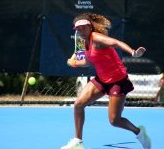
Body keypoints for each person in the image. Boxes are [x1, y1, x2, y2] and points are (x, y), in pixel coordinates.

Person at [61, 13, 151, 149]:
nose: (81, 31)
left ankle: (139, 132)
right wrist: (74, 63)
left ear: (90, 27)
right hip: (102, 80)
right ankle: (78, 142)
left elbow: (116, 42)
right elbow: (89, 61)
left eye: (83, 28)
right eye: (78, 29)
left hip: (117, 81)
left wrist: (133, 52)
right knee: (78, 104)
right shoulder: (83, 41)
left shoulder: (97, 38)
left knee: (114, 121)